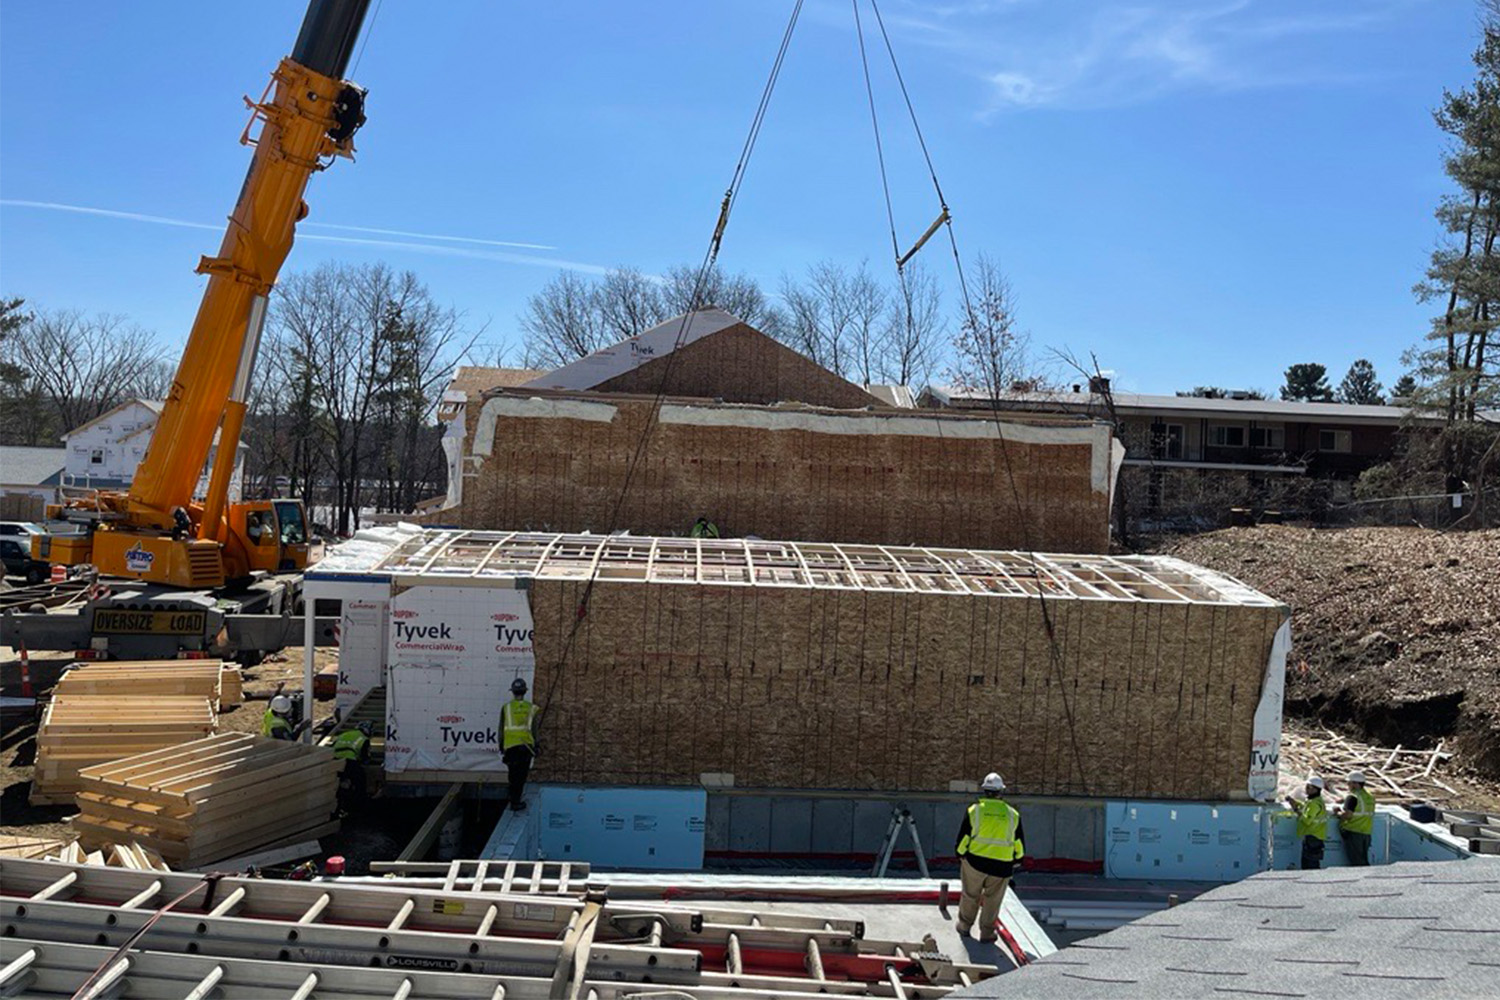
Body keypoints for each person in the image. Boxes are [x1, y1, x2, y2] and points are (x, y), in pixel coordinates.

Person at [954, 772, 1025, 942]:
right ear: (1001, 791)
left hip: (975, 862)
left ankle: (964, 927)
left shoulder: (974, 811)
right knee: (993, 900)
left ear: (985, 790)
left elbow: (964, 838)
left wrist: (960, 854)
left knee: (970, 895)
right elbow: (1018, 843)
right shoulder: (1012, 814)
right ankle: (987, 933)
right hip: (1002, 866)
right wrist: (1018, 859)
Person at [502, 677, 537, 811]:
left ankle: (512, 798)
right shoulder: (531, 708)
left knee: (512, 775)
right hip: (525, 747)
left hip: (511, 747)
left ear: (513, 692)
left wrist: (501, 746)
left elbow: (501, 728)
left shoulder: (507, 708)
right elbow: (534, 730)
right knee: (521, 776)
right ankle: (516, 802)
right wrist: (536, 745)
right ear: (524, 692)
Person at [1286, 775, 1329, 869]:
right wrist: (1295, 802)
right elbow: (1306, 808)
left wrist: (1296, 809)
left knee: (1309, 864)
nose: (1306, 789)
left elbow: (1307, 820)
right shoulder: (1314, 801)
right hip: (1315, 836)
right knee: (1311, 862)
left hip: (1313, 837)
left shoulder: (1314, 803)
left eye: (1309, 787)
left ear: (1315, 789)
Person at [1335, 770, 1375, 866]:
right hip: (1366, 832)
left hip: (1354, 832)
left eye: (1349, 783)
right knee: (1363, 860)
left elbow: (1348, 815)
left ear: (1355, 784)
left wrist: (1337, 812)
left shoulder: (1352, 797)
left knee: (1357, 863)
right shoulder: (1369, 796)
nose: (1348, 785)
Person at [333, 721, 374, 805]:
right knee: (360, 780)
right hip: (350, 761)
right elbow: (365, 756)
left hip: (335, 760)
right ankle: (360, 801)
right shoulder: (363, 739)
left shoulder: (344, 734)